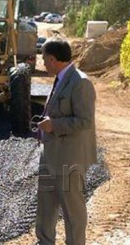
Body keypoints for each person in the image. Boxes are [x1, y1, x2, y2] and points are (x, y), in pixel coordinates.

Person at [36, 37, 97, 245]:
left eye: (44, 59)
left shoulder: (81, 82)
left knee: (73, 213)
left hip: (69, 158)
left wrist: (54, 125)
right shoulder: (61, 79)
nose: (42, 63)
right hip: (50, 155)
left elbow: (85, 121)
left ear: (53, 59)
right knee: (45, 207)